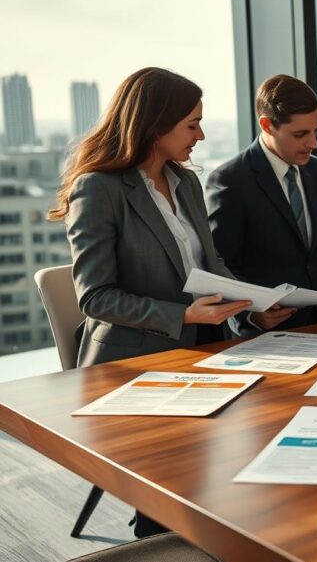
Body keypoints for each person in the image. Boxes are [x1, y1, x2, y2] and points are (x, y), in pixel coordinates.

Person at [50, 67, 258, 538]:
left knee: (247, 447)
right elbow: (95, 297)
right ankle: (160, 532)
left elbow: (211, 262)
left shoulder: (186, 183)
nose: (201, 135)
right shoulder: (98, 188)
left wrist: (254, 302)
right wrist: (182, 314)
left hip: (203, 343)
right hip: (135, 363)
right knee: (179, 490)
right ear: (154, 123)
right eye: (191, 124)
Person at [206, 75, 317, 332]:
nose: (313, 143)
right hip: (266, 335)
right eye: (301, 134)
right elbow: (223, 266)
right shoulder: (229, 180)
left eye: (316, 130)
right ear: (267, 125)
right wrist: (250, 315)